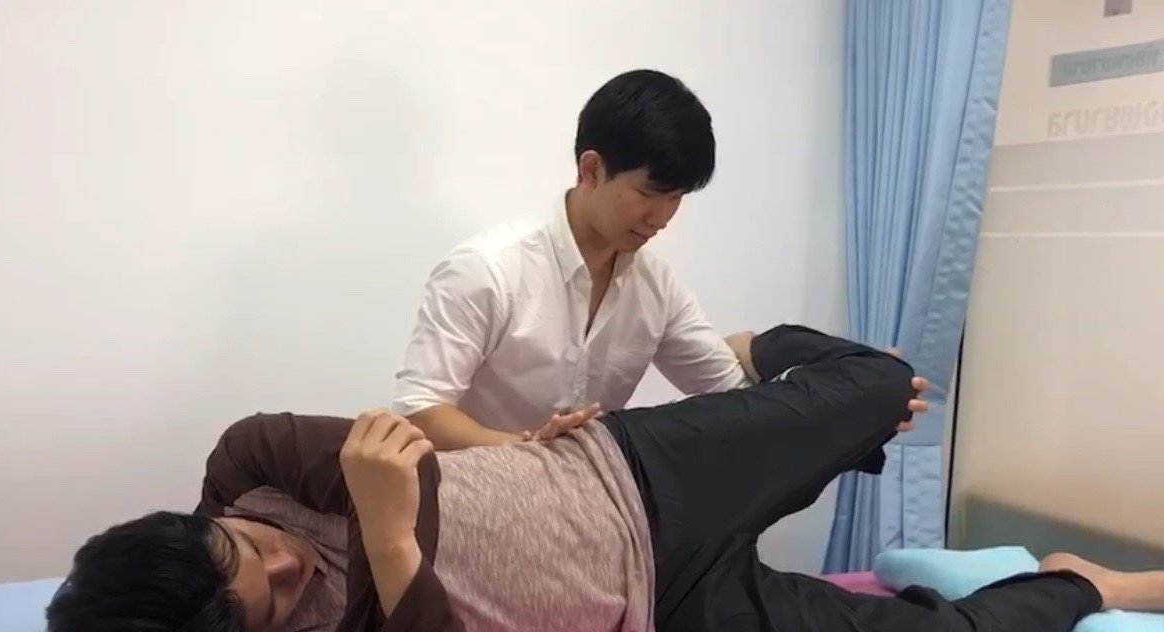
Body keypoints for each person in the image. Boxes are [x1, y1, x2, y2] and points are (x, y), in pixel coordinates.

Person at [44, 326, 1161, 632]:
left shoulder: (247, 463)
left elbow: (410, 470)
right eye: (276, 600)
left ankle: (762, 348)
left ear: (194, 527)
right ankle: (1079, 584)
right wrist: (383, 565)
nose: (289, 564)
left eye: (249, 552)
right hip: (663, 618)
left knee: (880, 385)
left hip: (640, 470)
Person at [391, 68, 927, 449]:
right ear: (591, 169)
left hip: (588, 514)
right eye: (649, 194)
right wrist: (530, 453)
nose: (663, 217)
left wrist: (855, 400)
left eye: (677, 198)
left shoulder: (655, 288)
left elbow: (734, 395)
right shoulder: (487, 270)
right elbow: (421, 411)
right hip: (476, 503)